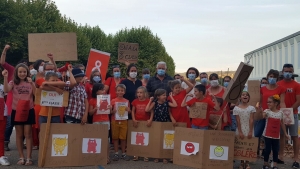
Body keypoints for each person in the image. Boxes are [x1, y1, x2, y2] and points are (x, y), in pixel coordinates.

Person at [3, 64, 36, 165]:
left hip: (29, 110)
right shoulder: (13, 82)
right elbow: (6, 90)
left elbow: (36, 94)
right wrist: (5, 77)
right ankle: (21, 157)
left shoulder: (30, 82)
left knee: (28, 134)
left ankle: (29, 157)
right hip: (16, 110)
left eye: (24, 72)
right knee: (19, 134)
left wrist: (32, 84)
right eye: (20, 72)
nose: (22, 74)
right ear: (16, 73)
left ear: (27, 72)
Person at [257, 70, 286, 158]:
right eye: (270, 76)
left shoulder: (281, 89)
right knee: (257, 134)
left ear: (277, 78)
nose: (272, 78)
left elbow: (282, 102)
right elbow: (260, 102)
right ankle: (255, 153)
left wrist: (285, 114)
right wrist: (258, 111)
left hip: (274, 116)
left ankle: (273, 157)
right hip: (264, 114)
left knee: (273, 137)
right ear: (268, 76)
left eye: (274, 77)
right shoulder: (262, 89)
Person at [256, 95, 289, 169]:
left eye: (270, 102)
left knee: (275, 149)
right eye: (267, 102)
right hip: (267, 134)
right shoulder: (267, 111)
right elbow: (262, 116)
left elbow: (282, 123)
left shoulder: (280, 113)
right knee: (267, 149)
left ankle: (274, 165)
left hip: (276, 135)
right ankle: (265, 164)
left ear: (276, 103)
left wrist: (286, 134)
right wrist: (260, 112)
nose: (268, 103)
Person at [277, 63, 300, 167]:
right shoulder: (278, 84)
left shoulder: (297, 85)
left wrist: (289, 111)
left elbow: (298, 100)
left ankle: (296, 158)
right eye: (286, 71)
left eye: (290, 71)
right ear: (282, 72)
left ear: (293, 72)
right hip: (281, 114)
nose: (288, 73)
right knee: (281, 136)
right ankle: (280, 156)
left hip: (293, 114)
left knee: (294, 136)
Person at [145, 89, 177, 163]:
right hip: (156, 123)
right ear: (158, 96)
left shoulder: (167, 103)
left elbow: (175, 105)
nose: (165, 96)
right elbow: (147, 110)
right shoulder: (155, 103)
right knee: (157, 140)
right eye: (163, 95)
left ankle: (164, 157)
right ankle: (156, 156)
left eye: (165, 95)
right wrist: (150, 101)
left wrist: (171, 97)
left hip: (165, 123)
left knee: (164, 141)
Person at [88, 83, 111, 164]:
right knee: (96, 139)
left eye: (104, 89)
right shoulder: (92, 100)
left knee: (106, 139)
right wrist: (95, 109)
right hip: (96, 121)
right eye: (101, 89)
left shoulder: (107, 99)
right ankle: (97, 157)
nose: (103, 91)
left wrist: (110, 108)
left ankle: (107, 156)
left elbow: (110, 112)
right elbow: (90, 113)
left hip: (105, 120)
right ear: (96, 91)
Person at [233, 91, 255, 169]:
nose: (245, 96)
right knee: (241, 146)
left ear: (248, 98)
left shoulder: (252, 108)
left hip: (249, 128)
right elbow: (237, 121)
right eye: (243, 95)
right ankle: (242, 163)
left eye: (246, 95)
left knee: (248, 146)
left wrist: (250, 131)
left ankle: (247, 163)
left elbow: (251, 120)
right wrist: (240, 132)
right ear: (240, 97)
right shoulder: (236, 108)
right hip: (240, 128)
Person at [131, 86, 153, 162]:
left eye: (141, 92)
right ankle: (136, 153)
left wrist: (150, 120)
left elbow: (151, 112)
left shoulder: (148, 101)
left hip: (145, 122)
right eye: (138, 92)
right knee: (136, 139)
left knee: (145, 139)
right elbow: (133, 111)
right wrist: (133, 119)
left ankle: (145, 154)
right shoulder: (135, 101)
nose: (139, 94)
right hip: (137, 122)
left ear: (145, 93)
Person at [111, 84, 131, 161]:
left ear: (124, 92)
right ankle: (116, 153)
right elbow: (110, 112)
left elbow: (129, 112)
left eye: (122, 90)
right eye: (118, 90)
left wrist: (128, 110)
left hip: (124, 121)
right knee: (115, 138)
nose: (120, 92)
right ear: (116, 91)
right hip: (115, 121)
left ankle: (123, 153)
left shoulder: (126, 101)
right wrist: (113, 111)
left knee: (123, 138)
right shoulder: (113, 101)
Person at [1, 45, 15, 151]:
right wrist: (5, 50)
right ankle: (5, 141)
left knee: (23, 123)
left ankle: (22, 141)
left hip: (24, 103)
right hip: (11, 101)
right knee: (10, 123)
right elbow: (2, 62)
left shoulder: (26, 75)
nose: (22, 71)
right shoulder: (12, 70)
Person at [0, 72, 9, 165]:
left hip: (2, 113)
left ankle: (1, 155)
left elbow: (8, 100)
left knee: (1, 135)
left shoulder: (3, 87)